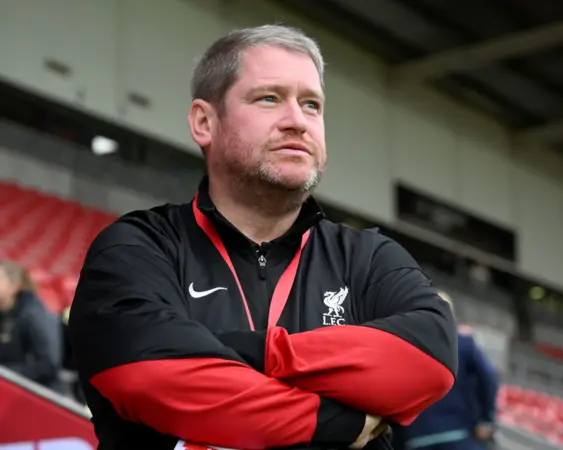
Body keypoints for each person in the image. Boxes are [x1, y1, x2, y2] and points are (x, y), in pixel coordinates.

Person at [68, 24, 458, 450]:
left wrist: (256, 354)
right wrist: (335, 423)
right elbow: (146, 374)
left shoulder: (369, 257)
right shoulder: (136, 248)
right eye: (269, 98)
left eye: (312, 105)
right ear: (204, 122)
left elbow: (431, 359)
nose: (297, 121)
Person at [400, 319, 498, 450]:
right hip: (459, 432)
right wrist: (486, 420)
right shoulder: (462, 342)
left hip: (417, 436)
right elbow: (488, 377)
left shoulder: (406, 344)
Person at [0, 260, 62, 390]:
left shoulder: (34, 314)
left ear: (14, 285)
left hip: (40, 394)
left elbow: (48, 366)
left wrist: (6, 373)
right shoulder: (4, 314)